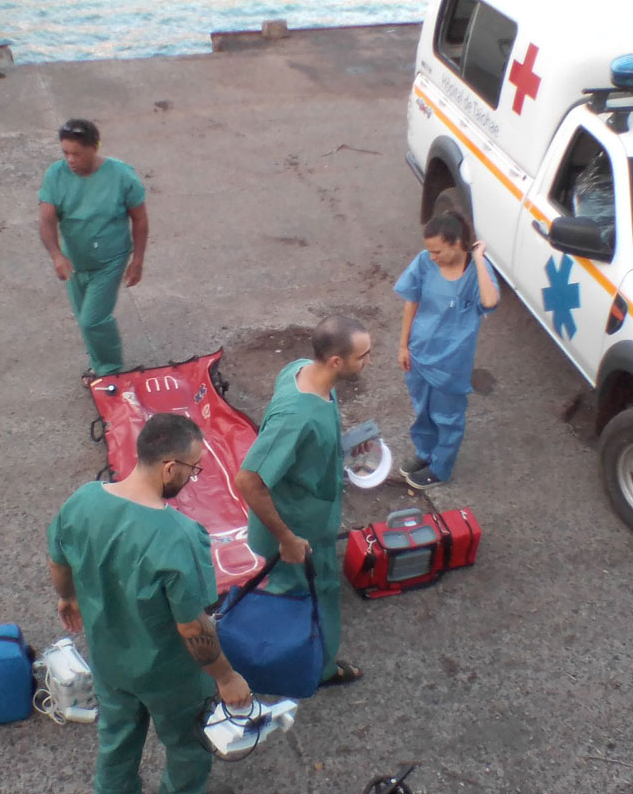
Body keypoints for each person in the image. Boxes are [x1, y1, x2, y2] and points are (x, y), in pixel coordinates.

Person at [48, 412, 251, 794]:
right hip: (169, 675)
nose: (192, 479)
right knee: (188, 746)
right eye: (193, 471)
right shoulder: (181, 536)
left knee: (116, 740)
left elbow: (58, 559)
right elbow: (193, 628)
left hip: (110, 660)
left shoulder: (82, 500)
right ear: (169, 467)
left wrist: (67, 597)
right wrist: (226, 677)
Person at [234, 315, 371, 688]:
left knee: (300, 593)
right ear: (336, 362)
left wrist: (343, 447)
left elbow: (307, 447)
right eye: (363, 356)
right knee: (307, 596)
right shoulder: (297, 417)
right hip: (298, 534)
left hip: (307, 524)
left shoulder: (301, 371)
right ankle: (314, 668)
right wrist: (287, 539)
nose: (368, 361)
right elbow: (249, 480)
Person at [395, 210, 500, 489]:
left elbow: (489, 302)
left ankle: (440, 468)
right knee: (423, 411)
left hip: (451, 365)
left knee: (448, 418)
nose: (432, 257)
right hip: (419, 355)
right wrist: (403, 345)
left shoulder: (476, 272)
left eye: (437, 251)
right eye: (429, 250)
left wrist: (478, 258)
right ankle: (425, 454)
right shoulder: (423, 263)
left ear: (456, 244)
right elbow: (411, 303)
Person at [38, 119, 148, 384]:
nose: (70, 160)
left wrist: (138, 261)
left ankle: (110, 373)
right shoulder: (56, 175)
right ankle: (99, 365)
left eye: (76, 153)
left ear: (94, 148)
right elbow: (46, 219)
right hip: (75, 261)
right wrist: (57, 255)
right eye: (65, 153)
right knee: (84, 319)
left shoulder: (122, 176)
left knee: (92, 320)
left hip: (110, 260)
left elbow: (140, 220)